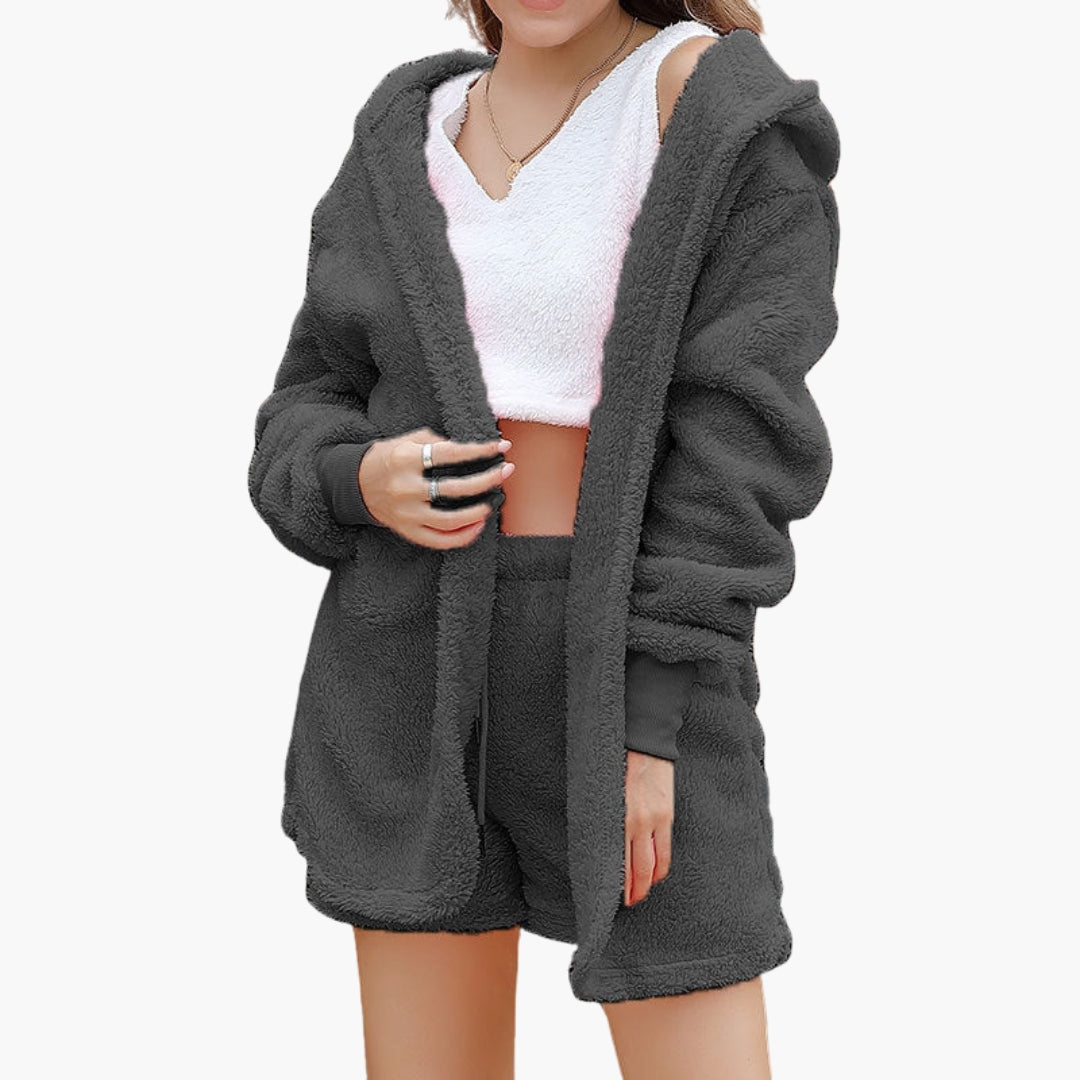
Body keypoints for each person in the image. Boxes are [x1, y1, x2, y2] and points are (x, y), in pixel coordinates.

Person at [247, 0, 840, 1075]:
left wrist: (650, 722)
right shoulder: (404, 130)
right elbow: (311, 394)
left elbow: (744, 443)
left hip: (632, 662)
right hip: (410, 663)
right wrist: (359, 477)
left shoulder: (713, 109)